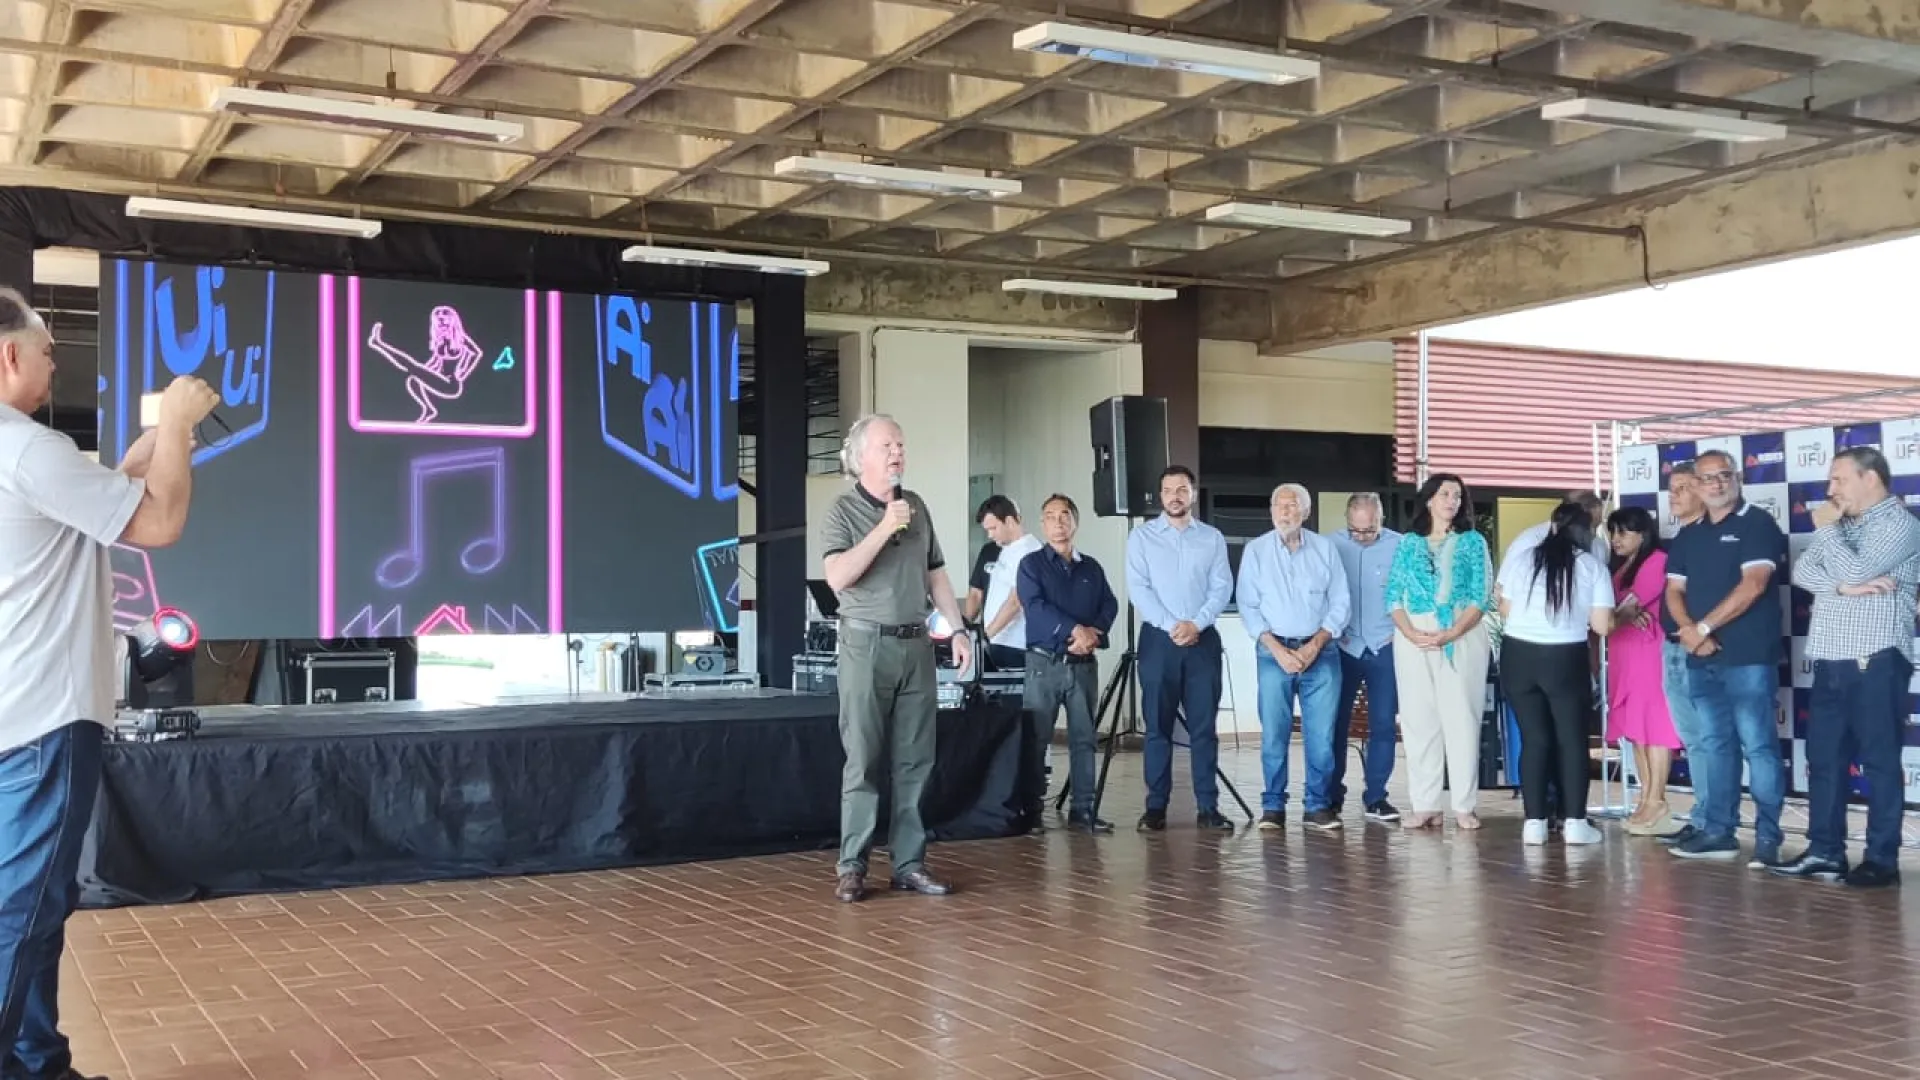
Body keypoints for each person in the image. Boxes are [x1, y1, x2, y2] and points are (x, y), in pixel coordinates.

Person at [0, 287, 218, 1080]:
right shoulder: (28, 449)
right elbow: (158, 522)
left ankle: (35, 1064)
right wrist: (180, 425)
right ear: (8, 356)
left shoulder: (21, 458)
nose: (54, 361)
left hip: (15, 713)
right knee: (22, 912)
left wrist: (147, 451)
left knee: (29, 904)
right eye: (47, 348)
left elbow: (85, 510)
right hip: (44, 718)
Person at [818, 414, 972, 903]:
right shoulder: (842, 511)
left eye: (901, 445)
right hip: (865, 645)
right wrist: (885, 526)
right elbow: (838, 577)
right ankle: (852, 866)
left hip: (916, 644)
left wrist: (958, 630)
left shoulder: (917, 507)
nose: (897, 453)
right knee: (863, 759)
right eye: (887, 445)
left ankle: (909, 863)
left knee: (916, 760)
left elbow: (936, 574)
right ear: (861, 456)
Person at [1777, 447, 1920, 888]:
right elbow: (1803, 572)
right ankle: (1825, 851)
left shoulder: (1900, 524)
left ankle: (1881, 860)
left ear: (1870, 478)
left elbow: (1858, 568)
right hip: (1831, 658)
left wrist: (1827, 534)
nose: (1830, 490)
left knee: (1879, 761)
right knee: (1823, 759)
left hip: (1875, 657)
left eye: (1838, 479)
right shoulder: (1841, 526)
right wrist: (1844, 587)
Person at [1662, 449, 1787, 866]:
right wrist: (1690, 632)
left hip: (1748, 656)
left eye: (1724, 475)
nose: (1717, 484)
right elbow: (1674, 590)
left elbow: (1753, 585)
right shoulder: (1689, 535)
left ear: (1737, 479)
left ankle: (1768, 838)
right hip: (1701, 656)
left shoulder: (1758, 523)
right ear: (1697, 486)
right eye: (1708, 478)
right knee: (1715, 744)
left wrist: (1702, 629)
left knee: (1759, 746)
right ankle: (1719, 832)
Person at [1497, 501, 1615, 846]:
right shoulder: (1591, 566)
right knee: (1571, 739)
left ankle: (1533, 824)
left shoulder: (1523, 559)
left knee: (1534, 738)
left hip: (1518, 654)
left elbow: (1505, 608)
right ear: (1587, 532)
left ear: (1553, 527)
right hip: (1564, 657)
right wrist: (1623, 614)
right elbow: (1602, 626)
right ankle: (1575, 823)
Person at [1126, 465, 1235, 833]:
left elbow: (1222, 587)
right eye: (1169, 490)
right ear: (1160, 496)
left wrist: (1196, 624)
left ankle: (1208, 807)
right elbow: (1139, 588)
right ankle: (1155, 808)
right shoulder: (1141, 538)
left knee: (1204, 728)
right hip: (1159, 641)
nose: (1175, 496)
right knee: (1157, 727)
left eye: (1182, 489)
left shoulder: (1212, 538)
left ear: (1193, 494)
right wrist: (1172, 625)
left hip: (1202, 640)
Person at [1237, 484, 1350, 832]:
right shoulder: (1256, 551)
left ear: (1306, 511)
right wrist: (1277, 649)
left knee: (1321, 736)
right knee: (1274, 734)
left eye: (1292, 505)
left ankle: (1317, 806)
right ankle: (1273, 806)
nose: (1284, 512)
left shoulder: (1325, 549)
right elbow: (1248, 606)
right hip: (1273, 653)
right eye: (1279, 505)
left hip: (1322, 652)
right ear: (1271, 511)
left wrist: (1314, 646)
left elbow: (1340, 603)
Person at [1384, 473, 1492, 831]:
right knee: (1418, 720)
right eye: (1445, 494)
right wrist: (1409, 631)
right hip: (1414, 635)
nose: (1452, 501)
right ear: (1429, 499)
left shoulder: (1472, 541)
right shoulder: (1409, 543)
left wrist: (1453, 632)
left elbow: (1481, 595)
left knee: (1461, 718)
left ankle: (1464, 805)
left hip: (1460, 632)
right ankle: (1425, 804)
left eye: (1457, 496)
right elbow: (1393, 595)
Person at [1016, 494, 1119, 833]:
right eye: (1050, 516)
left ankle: (1083, 809)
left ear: (1075, 522)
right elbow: (1035, 607)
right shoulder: (1031, 565)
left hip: (1083, 665)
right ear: (1042, 524)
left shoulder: (1091, 567)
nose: (1058, 522)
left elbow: (1109, 604)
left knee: (1084, 738)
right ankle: (1031, 812)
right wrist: (1075, 630)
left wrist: (1093, 634)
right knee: (1037, 739)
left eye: (1064, 516)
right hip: (1044, 664)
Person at [1602, 506, 1683, 836]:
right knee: (1635, 729)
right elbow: (1614, 612)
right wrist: (1620, 615)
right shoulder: (1619, 568)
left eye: (1624, 532)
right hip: (1624, 654)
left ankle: (1656, 799)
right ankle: (1646, 797)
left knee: (1655, 727)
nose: (1616, 539)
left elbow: (1624, 609)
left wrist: (1621, 615)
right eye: (1613, 532)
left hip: (1648, 654)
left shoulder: (1656, 561)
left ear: (1643, 533)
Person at [1331, 492, 1402, 823]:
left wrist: (1401, 632)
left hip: (1384, 644)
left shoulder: (1401, 546)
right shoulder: (1329, 546)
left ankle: (1376, 797)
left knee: (1383, 724)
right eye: (1355, 530)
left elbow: (1412, 593)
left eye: (1369, 530)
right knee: (1334, 724)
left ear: (1381, 520)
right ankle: (1331, 794)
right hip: (1343, 646)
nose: (1361, 536)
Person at [1655, 462, 1712, 850]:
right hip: (1672, 647)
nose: (1673, 497)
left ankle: (1713, 820)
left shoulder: (1712, 537)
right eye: (1671, 489)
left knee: (1708, 738)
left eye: (1682, 488)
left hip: (1698, 648)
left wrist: (1697, 633)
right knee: (1692, 739)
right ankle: (1702, 815)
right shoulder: (1682, 537)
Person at [975, 495, 1041, 671]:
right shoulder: (1008, 548)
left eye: (993, 528)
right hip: (998, 641)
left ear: (1010, 521)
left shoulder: (1029, 552)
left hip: (1014, 645)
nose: (990, 535)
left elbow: (1015, 601)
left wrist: (985, 636)